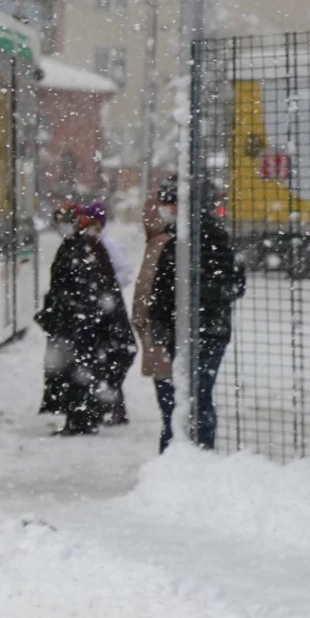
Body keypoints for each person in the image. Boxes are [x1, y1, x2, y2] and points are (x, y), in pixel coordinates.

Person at [146, 181, 245, 451]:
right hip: (197, 330)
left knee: (185, 399)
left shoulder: (194, 238)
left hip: (195, 332)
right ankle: (192, 452)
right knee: (193, 397)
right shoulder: (187, 236)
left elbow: (231, 285)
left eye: (168, 204)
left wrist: (187, 304)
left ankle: (185, 454)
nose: (164, 209)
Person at [37, 201, 136, 435]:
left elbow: (83, 291)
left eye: (62, 222)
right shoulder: (82, 245)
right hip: (81, 323)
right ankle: (86, 415)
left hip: (80, 325)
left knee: (80, 370)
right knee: (84, 370)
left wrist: (73, 319)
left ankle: (81, 419)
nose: (59, 227)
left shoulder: (82, 248)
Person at [131, 182, 178, 445]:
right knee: (170, 409)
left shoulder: (165, 245)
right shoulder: (159, 242)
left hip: (164, 338)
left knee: (172, 410)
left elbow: (150, 293)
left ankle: (173, 455)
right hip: (160, 337)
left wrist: (150, 328)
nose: (146, 214)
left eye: (152, 207)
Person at [87, 200, 135, 424]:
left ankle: (115, 408)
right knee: (107, 359)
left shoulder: (108, 245)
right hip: (104, 306)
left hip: (109, 307)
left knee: (111, 358)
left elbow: (124, 273)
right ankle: (112, 407)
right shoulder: (96, 242)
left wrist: (107, 290)